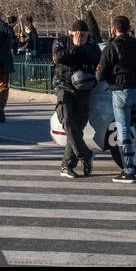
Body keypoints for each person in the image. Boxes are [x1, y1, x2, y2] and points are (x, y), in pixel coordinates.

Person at [97, 14, 136, 182]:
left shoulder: (111, 47)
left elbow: (101, 74)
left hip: (121, 91)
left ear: (114, 29)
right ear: (129, 28)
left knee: (123, 131)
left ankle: (128, 170)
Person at [52, 19, 100, 178]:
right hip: (64, 86)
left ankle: (67, 165)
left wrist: (84, 47)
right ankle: (85, 154)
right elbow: (58, 57)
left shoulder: (91, 44)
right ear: (72, 33)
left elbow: (97, 59)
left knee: (77, 127)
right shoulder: (61, 41)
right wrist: (75, 46)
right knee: (67, 121)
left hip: (83, 87)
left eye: (84, 35)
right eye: (79, 34)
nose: (81, 37)